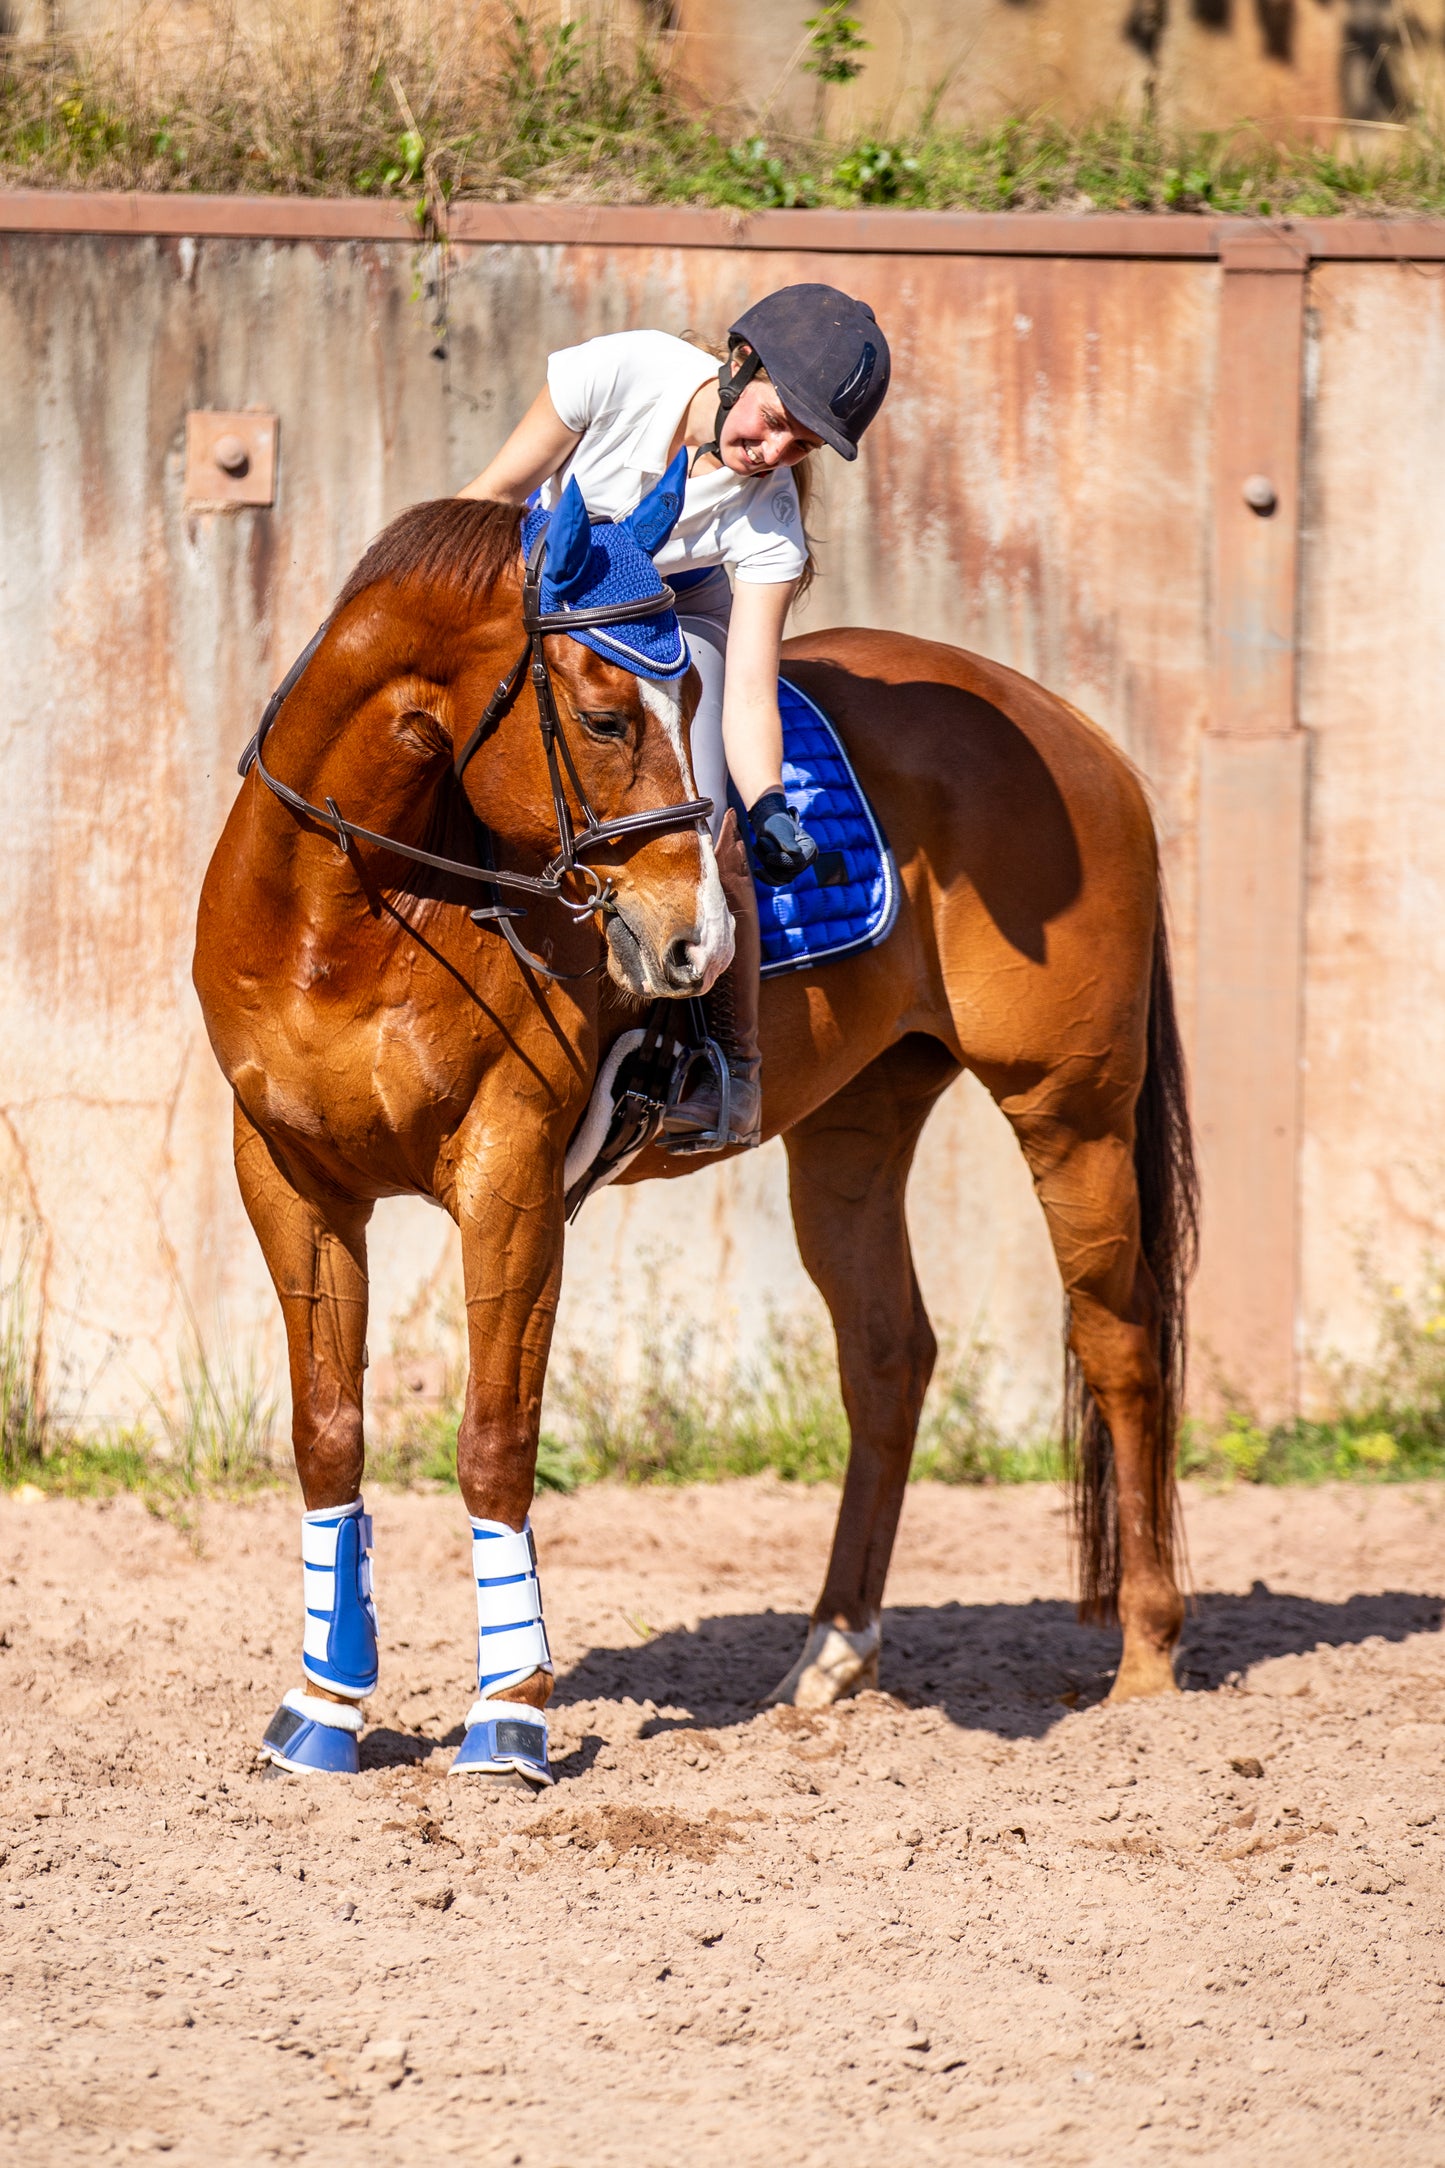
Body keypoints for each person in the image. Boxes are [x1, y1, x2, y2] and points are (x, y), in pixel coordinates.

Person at [459, 283, 891, 1148]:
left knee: (702, 804)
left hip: (678, 621)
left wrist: (764, 802)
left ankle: (727, 1067)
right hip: (551, 590)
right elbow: (492, 496)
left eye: (799, 443)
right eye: (772, 419)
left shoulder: (768, 522)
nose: (771, 452)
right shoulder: (619, 371)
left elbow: (749, 690)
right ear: (738, 365)